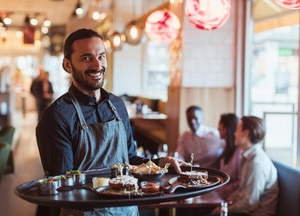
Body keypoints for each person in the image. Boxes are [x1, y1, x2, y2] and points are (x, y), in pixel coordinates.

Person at [35, 28, 190, 216]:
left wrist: (160, 163)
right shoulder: (57, 116)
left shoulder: (117, 105)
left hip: (127, 210)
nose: (97, 65)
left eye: (101, 56)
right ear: (67, 65)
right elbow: (62, 185)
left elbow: (129, 160)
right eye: (86, 58)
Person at [211, 116, 279, 216]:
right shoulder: (248, 157)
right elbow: (242, 192)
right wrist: (225, 204)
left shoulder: (257, 162)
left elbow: (250, 203)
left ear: (245, 133)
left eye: (237, 130)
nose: (234, 133)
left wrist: (227, 209)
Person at [216, 113, 242, 200]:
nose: (217, 128)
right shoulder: (226, 148)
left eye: (219, 125)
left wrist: (219, 189)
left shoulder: (240, 153)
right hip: (221, 196)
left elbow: (240, 183)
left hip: (231, 199)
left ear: (226, 129)